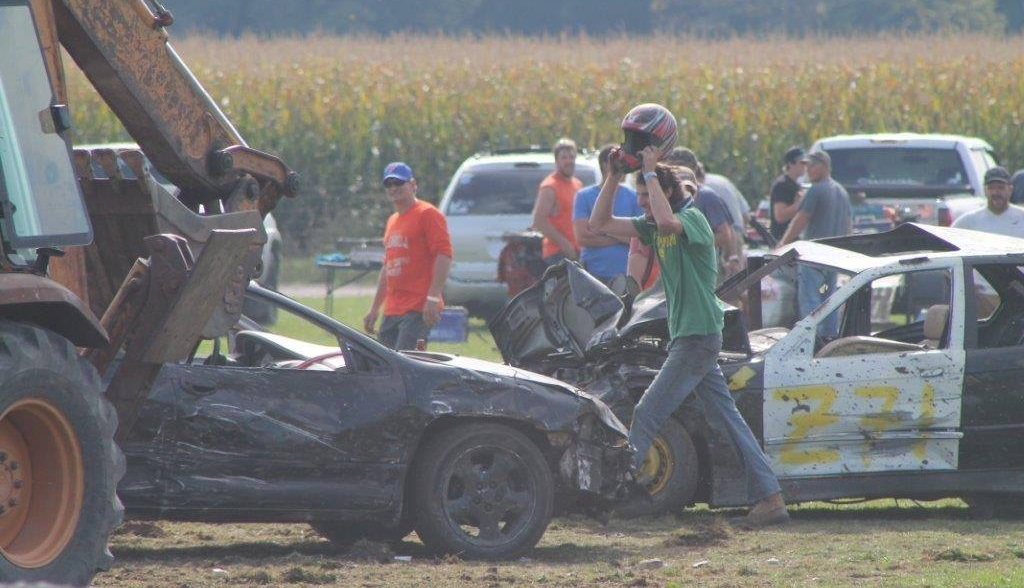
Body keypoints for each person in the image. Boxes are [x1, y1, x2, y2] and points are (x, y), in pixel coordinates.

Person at [590, 145, 788, 527]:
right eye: (642, 197)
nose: (644, 203)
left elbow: (667, 223)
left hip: (697, 338)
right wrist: (613, 176)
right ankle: (770, 499)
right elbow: (599, 224)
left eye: (649, 196)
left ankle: (617, 495)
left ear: (665, 192)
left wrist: (650, 171)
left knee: (648, 411)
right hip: (691, 337)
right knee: (729, 421)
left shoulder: (693, 219)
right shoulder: (653, 222)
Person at [363, 162, 453, 350]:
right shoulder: (392, 220)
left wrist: (433, 298)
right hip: (393, 308)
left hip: (418, 306)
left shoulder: (427, 214)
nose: (394, 188)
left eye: (399, 182)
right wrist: (374, 309)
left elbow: (444, 255)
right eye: (389, 184)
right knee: (384, 364)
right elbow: (388, 267)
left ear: (413, 185)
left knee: (406, 364)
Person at [779, 150, 852, 340]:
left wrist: (782, 245)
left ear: (824, 166)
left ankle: (810, 340)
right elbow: (848, 226)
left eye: (812, 165)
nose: (808, 170)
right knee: (829, 300)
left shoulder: (817, 189)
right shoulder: (842, 191)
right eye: (806, 166)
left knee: (810, 299)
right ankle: (829, 338)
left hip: (814, 256)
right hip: (834, 257)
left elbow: (800, 220)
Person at [573, 144, 641, 282]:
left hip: (626, 274)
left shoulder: (634, 196)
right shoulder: (583, 196)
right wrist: (622, 235)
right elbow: (582, 238)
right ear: (605, 164)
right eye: (620, 162)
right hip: (593, 274)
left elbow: (639, 238)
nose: (625, 167)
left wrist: (603, 231)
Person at [532, 138, 582, 266]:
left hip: (577, 251)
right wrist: (564, 244)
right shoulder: (550, 186)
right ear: (556, 160)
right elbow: (539, 221)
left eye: (572, 157)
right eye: (564, 157)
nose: (569, 161)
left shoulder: (577, 184)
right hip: (557, 254)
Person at [952, 166, 1024, 237]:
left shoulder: (1021, 217)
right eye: (991, 188)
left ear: (1010, 190)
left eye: (1001, 187)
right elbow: (950, 241)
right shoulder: (968, 222)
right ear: (985, 190)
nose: (996, 192)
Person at [769, 146, 807, 243]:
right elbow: (780, 216)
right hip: (781, 241)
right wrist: (800, 204)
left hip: (794, 240)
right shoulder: (782, 185)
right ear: (791, 163)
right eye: (802, 162)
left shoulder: (796, 185)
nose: (805, 166)